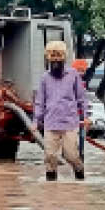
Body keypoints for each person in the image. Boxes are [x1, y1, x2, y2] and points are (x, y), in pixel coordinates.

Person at [33, 40, 87, 181]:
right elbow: (40, 101)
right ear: (48, 59)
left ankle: (80, 174)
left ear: (64, 58)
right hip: (50, 123)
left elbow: (81, 98)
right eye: (53, 57)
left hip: (69, 123)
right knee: (50, 157)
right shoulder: (45, 78)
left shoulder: (73, 75)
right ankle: (51, 188)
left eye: (59, 57)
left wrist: (85, 117)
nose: (56, 60)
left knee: (71, 156)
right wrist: (35, 121)